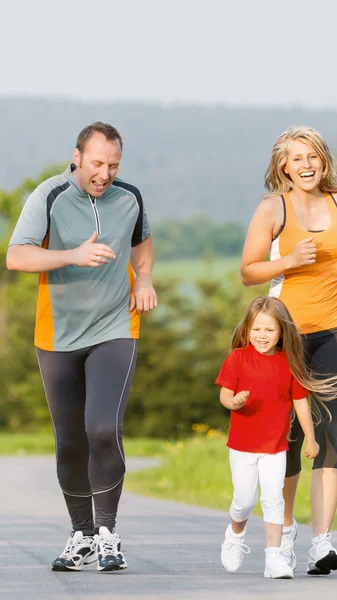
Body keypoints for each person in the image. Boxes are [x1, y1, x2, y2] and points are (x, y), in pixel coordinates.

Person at [6, 122, 157, 572]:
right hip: (58, 335)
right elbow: (17, 256)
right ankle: (82, 535)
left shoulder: (129, 196)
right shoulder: (48, 196)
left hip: (115, 327)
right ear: (77, 157)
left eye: (113, 165)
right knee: (70, 439)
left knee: (102, 429)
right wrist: (72, 255)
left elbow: (142, 245)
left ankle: (108, 534)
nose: (105, 173)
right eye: (96, 163)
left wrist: (144, 278)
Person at [240, 125, 337, 575]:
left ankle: (322, 542)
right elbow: (248, 271)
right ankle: (287, 531)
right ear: (283, 166)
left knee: (329, 431)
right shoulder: (272, 208)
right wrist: (289, 262)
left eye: (312, 155)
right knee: (291, 437)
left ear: (323, 159)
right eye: (296, 158)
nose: (306, 164)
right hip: (287, 335)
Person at [215, 296, 337, 579]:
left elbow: (301, 403)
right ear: (247, 329)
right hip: (242, 446)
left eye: (269, 330)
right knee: (244, 501)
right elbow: (225, 393)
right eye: (256, 329)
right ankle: (235, 535)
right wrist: (234, 402)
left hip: (276, 446)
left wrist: (311, 440)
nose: (262, 336)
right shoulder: (237, 358)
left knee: (273, 499)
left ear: (282, 332)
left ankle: (274, 558)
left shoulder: (289, 363)